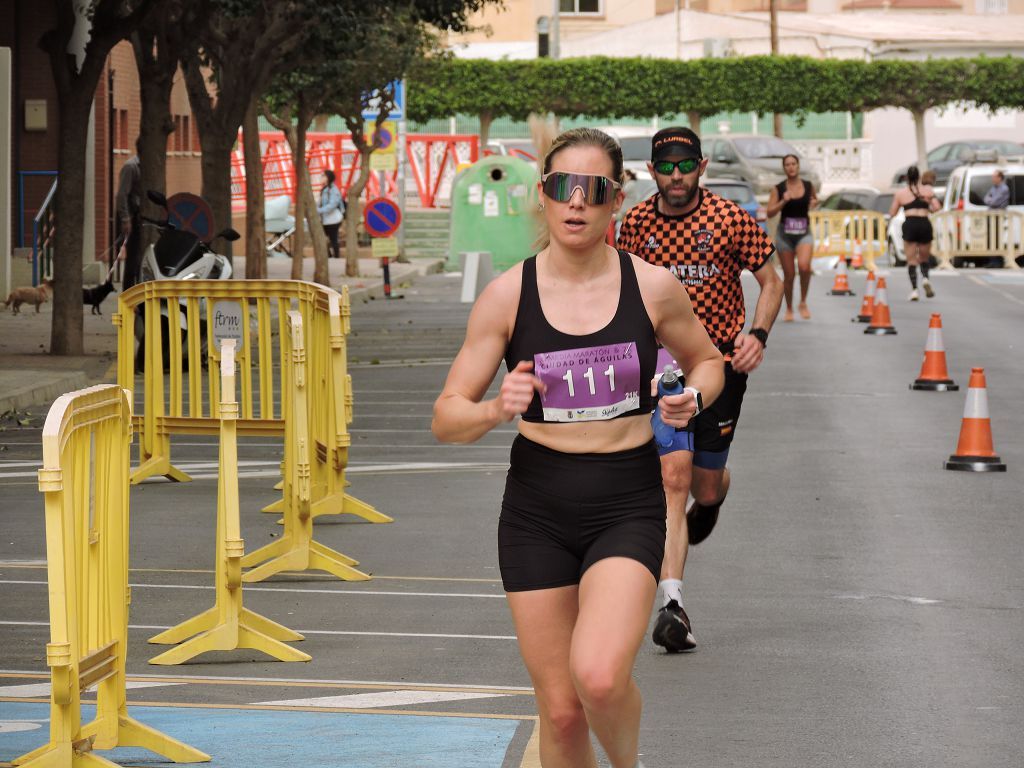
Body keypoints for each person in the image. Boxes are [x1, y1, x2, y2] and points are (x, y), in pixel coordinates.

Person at [433, 127, 724, 768]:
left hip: (625, 498)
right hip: (536, 506)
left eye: (594, 191)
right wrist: (492, 408)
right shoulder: (508, 294)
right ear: (543, 195)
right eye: (563, 187)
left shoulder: (652, 287)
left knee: (597, 677)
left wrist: (691, 399)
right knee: (561, 711)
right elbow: (446, 416)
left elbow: (708, 362)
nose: (577, 203)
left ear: (616, 201)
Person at [617, 126, 782, 654]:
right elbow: (616, 286)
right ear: (652, 172)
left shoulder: (729, 219)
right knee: (673, 475)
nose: (676, 175)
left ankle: (714, 499)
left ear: (702, 166)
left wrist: (757, 335)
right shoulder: (637, 224)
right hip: (662, 369)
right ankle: (672, 605)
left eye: (685, 165)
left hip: (719, 366)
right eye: (665, 167)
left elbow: (771, 279)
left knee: (703, 487)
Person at [766, 154, 817, 321]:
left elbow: (814, 200)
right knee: (789, 275)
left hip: (803, 233)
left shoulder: (808, 185)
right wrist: (783, 201)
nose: (791, 167)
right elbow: (770, 212)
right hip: (785, 235)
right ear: (784, 168)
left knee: (804, 267)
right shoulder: (779, 188)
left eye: (793, 164)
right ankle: (789, 308)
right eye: (787, 164)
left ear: (798, 166)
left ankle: (803, 302)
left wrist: (814, 203)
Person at [889, 165, 940, 301]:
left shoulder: (901, 193)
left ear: (906, 178)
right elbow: (937, 207)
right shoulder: (927, 190)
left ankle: (914, 290)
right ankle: (925, 279)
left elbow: (892, 212)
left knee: (911, 260)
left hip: (910, 224)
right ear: (919, 177)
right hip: (924, 223)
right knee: (924, 257)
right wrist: (927, 208)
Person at [115, 140, 143, 290]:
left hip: (142, 218)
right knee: (132, 259)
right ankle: (128, 294)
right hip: (132, 217)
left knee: (140, 259)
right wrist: (125, 218)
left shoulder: (148, 167)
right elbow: (122, 195)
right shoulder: (131, 167)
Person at [317, 169, 345, 259]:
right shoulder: (324, 189)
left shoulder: (333, 190)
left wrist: (319, 210)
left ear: (328, 178)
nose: (321, 178)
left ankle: (336, 258)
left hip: (333, 219)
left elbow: (333, 204)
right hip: (325, 219)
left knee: (333, 239)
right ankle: (329, 256)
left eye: (323, 176)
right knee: (322, 238)